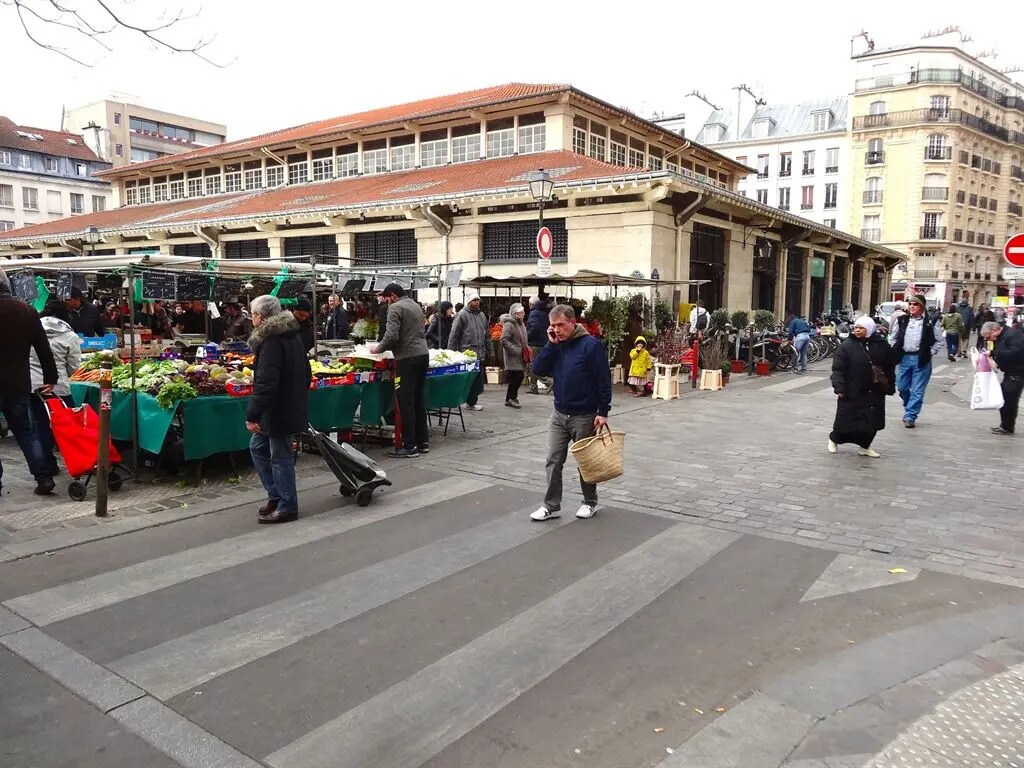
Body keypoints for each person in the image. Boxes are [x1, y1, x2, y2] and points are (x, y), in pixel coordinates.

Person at [529, 304, 612, 522]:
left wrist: (602, 411)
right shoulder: (557, 345)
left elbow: (603, 381)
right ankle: (550, 505)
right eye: (553, 326)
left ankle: (589, 501)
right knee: (553, 459)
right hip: (559, 413)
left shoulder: (591, 346)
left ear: (572, 323)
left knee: (585, 460)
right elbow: (538, 369)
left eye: (561, 325)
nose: (557, 329)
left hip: (584, 415)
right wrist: (550, 345)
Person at [245, 295, 311, 524]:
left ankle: (287, 506)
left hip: (280, 407)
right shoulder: (289, 334)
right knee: (257, 446)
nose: (251, 318)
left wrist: (252, 413)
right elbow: (307, 371)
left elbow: (266, 382)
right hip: (287, 403)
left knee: (280, 456)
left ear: (260, 317)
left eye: (252, 314)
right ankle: (276, 495)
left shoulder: (272, 341)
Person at [0, 268, 59, 495]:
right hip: (18, 382)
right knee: (25, 431)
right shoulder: (26, 311)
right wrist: (50, 378)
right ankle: (44, 477)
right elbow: (43, 349)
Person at [371, 283, 429, 457]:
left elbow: (392, 335)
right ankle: (423, 442)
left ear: (393, 296)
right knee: (418, 399)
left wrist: (378, 349)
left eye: (386, 298)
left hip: (407, 358)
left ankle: (409, 445)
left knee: (405, 401)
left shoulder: (395, 308)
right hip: (423, 355)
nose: (385, 301)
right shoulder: (415, 305)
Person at [828, 316, 896, 457]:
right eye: (856, 328)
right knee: (846, 419)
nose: (857, 330)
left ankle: (865, 446)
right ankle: (834, 439)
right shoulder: (847, 345)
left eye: (861, 328)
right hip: (853, 388)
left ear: (870, 329)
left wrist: (890, 385)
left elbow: (889, 367)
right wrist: (839, 387)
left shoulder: (881, 345)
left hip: (874, 389)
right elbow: (838, 368)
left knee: (871, 421)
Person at [29, 298, 82, 478]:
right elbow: (75, 367)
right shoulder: (70, 336)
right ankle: (78, 461)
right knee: (70, 425)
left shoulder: (31, 329)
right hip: (59, 387)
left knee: (40, 427)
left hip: (34, 387)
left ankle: (48, 465)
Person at [888, 294, 943, 428]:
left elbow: (939, 340)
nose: (912, 306)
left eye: (915, 304)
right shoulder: (901, 320)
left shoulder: (931, 322)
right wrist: (893, 348)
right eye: (910, 304)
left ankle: (910, 416)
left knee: (917, 390)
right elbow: (892, 337)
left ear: (922, 307)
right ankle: (910, 406)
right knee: (902, 387)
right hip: (904, 357)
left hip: (921, 359)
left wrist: (931, 352)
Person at [448, 290, 490, 411]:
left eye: (478, 300)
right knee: (469, 379)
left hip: (480, 352)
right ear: (469, 302)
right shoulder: (462, 315)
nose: (477, 303)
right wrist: (451, 352)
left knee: (477, 380)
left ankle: (471, 402)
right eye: (474, 300)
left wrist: (490, 351)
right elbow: (454, 334)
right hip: (467, 352)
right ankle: (469, 402)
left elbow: (487, 335)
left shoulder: (482, 316)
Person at [981, 320, 1024, 435]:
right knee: (1004, 398)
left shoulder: (1013, 335)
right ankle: (1005, 425)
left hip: (1017, 372)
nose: (990, 339)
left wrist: (994, 352)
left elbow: (1016, 352)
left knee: (1009, 399)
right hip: (1010, 371)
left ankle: (1007, 427)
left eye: (989, 336)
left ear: (995, 330)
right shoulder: (1001, 336)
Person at [500, 303, 530, 408]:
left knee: (516, 377)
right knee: (518, 376)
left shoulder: (520, 323)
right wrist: (515, 350)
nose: (524, 314)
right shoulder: (509, 324)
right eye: (521, 312)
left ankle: (510, 398)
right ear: (515, 313)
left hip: (520, 355)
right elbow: (504, 340)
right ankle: (512, 398)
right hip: (513, 356)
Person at [526, 296, 552, 394]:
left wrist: (527, 337)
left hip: (535, 343)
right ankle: (533, 387)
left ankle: (549, 382)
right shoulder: (545, 312)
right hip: (544, 342)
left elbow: (534, 328)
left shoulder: (534, 313)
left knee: (534, 365)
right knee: (536, 364)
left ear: (531, 304)